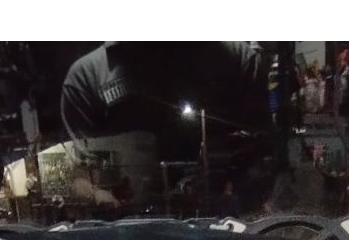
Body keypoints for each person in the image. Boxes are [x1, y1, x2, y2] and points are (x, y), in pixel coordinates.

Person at [61, 42, 270, 207]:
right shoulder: (86, 77)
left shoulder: (239, 59)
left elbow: (268, 160)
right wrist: (99, 196)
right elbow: (80, 177)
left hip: (227, 225)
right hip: (132, 233)